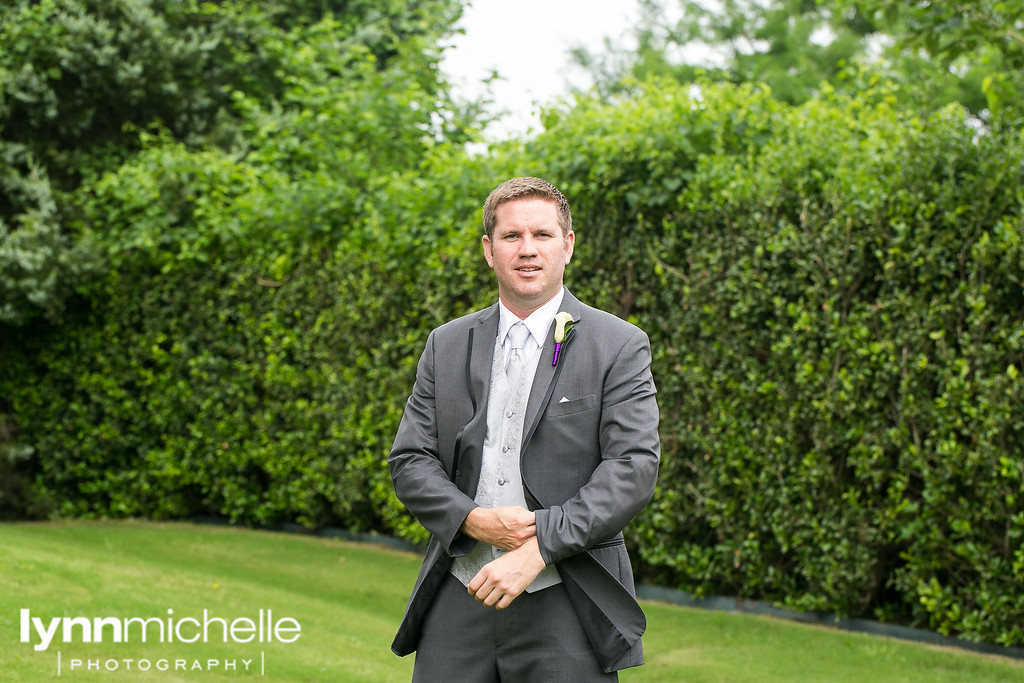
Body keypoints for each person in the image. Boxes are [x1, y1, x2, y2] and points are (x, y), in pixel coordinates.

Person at [388, 176, 661, 681]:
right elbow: (410, 461)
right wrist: (472, 519)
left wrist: (538, 548)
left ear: (568, 245)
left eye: (543, 235)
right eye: (512, 237)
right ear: (489, 251)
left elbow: (632, 469)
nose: (528, 250)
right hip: (458, 595)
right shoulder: (445, 345)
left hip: (567, 600)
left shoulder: (618, 345)